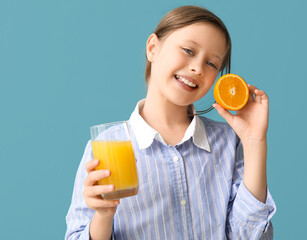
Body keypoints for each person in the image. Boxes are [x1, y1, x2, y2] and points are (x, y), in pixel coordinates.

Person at [65, 5, 276, 240]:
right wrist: (103, 216)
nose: (197, 67)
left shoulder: (229, 142)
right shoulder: (105, 146)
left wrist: (255, 142)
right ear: (153, 48)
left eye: (211, 64)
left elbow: (249, 237)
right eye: (188, 50)